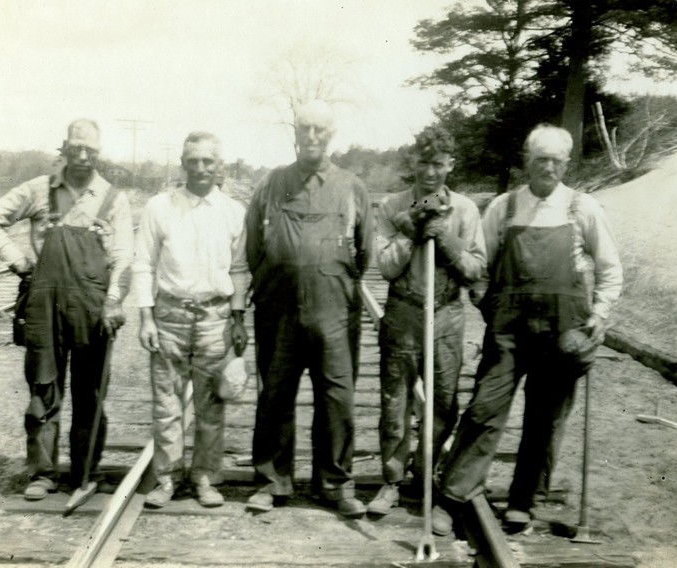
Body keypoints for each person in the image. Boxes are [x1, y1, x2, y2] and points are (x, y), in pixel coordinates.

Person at [433, 124, 623, 535]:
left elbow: (610, 269)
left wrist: (599, 314)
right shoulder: (504, 207)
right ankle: (451, 499)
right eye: (541, 160)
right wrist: (485, 300)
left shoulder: (582, 208)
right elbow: (480, 262)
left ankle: (523, 500)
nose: (548, 168)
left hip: (562, 331)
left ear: (566, 163)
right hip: (508, 329)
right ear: (527, 161)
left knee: (545, 419)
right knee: (485, 409)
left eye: (556, 160)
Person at [0, 119, 133, 500]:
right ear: (63, 148)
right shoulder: (38, 190)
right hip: (44, 304)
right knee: (43, 387)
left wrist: (114, 301)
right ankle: (43, 473)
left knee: (90, 390)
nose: (82, 157)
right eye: (75, 148)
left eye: (90, 151)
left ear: (99, 153)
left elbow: (124, 255)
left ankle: (85, 470)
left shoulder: (112, 198)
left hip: (92, 307)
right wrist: (21, 264)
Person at [244, 100, 374, 518]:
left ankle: (334, 484)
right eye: (305, 128)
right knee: (275, 396)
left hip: (334, 312)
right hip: (278, 310)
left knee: (337, 397)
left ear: (331, 136)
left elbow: (366, 251)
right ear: (295, 134)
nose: (312, 136)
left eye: (319, 129)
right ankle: (271, 481)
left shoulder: (352, 186)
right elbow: (252, 245)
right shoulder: (272, 183)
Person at [368, 126, 486, 516]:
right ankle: (391, 479)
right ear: (412, 163)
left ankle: (425, 474)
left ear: (450, 165)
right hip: (404, 311)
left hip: (447, 313)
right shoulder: (391, 206)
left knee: (443, 402)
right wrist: (412, 231)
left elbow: (474, 270)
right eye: (423, 163)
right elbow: (384, 267)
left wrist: (447, 241)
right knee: (394, 403)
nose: (430, 173)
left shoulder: (466, 210)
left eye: (438, 164)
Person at [134, 131, 249, 509]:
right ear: (183, 164)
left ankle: (204, 478)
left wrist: (237, 319)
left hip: (215, 318)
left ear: (220, 166)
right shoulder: (159, 207)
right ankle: (166, 479)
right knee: (166, 405)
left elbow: (239, 270)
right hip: (170, 317)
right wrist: (146, 318)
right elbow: (143, 264)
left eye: (208, 162)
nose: (200, 169)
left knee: (211, 406)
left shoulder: (234, 212)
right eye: (193, 161)